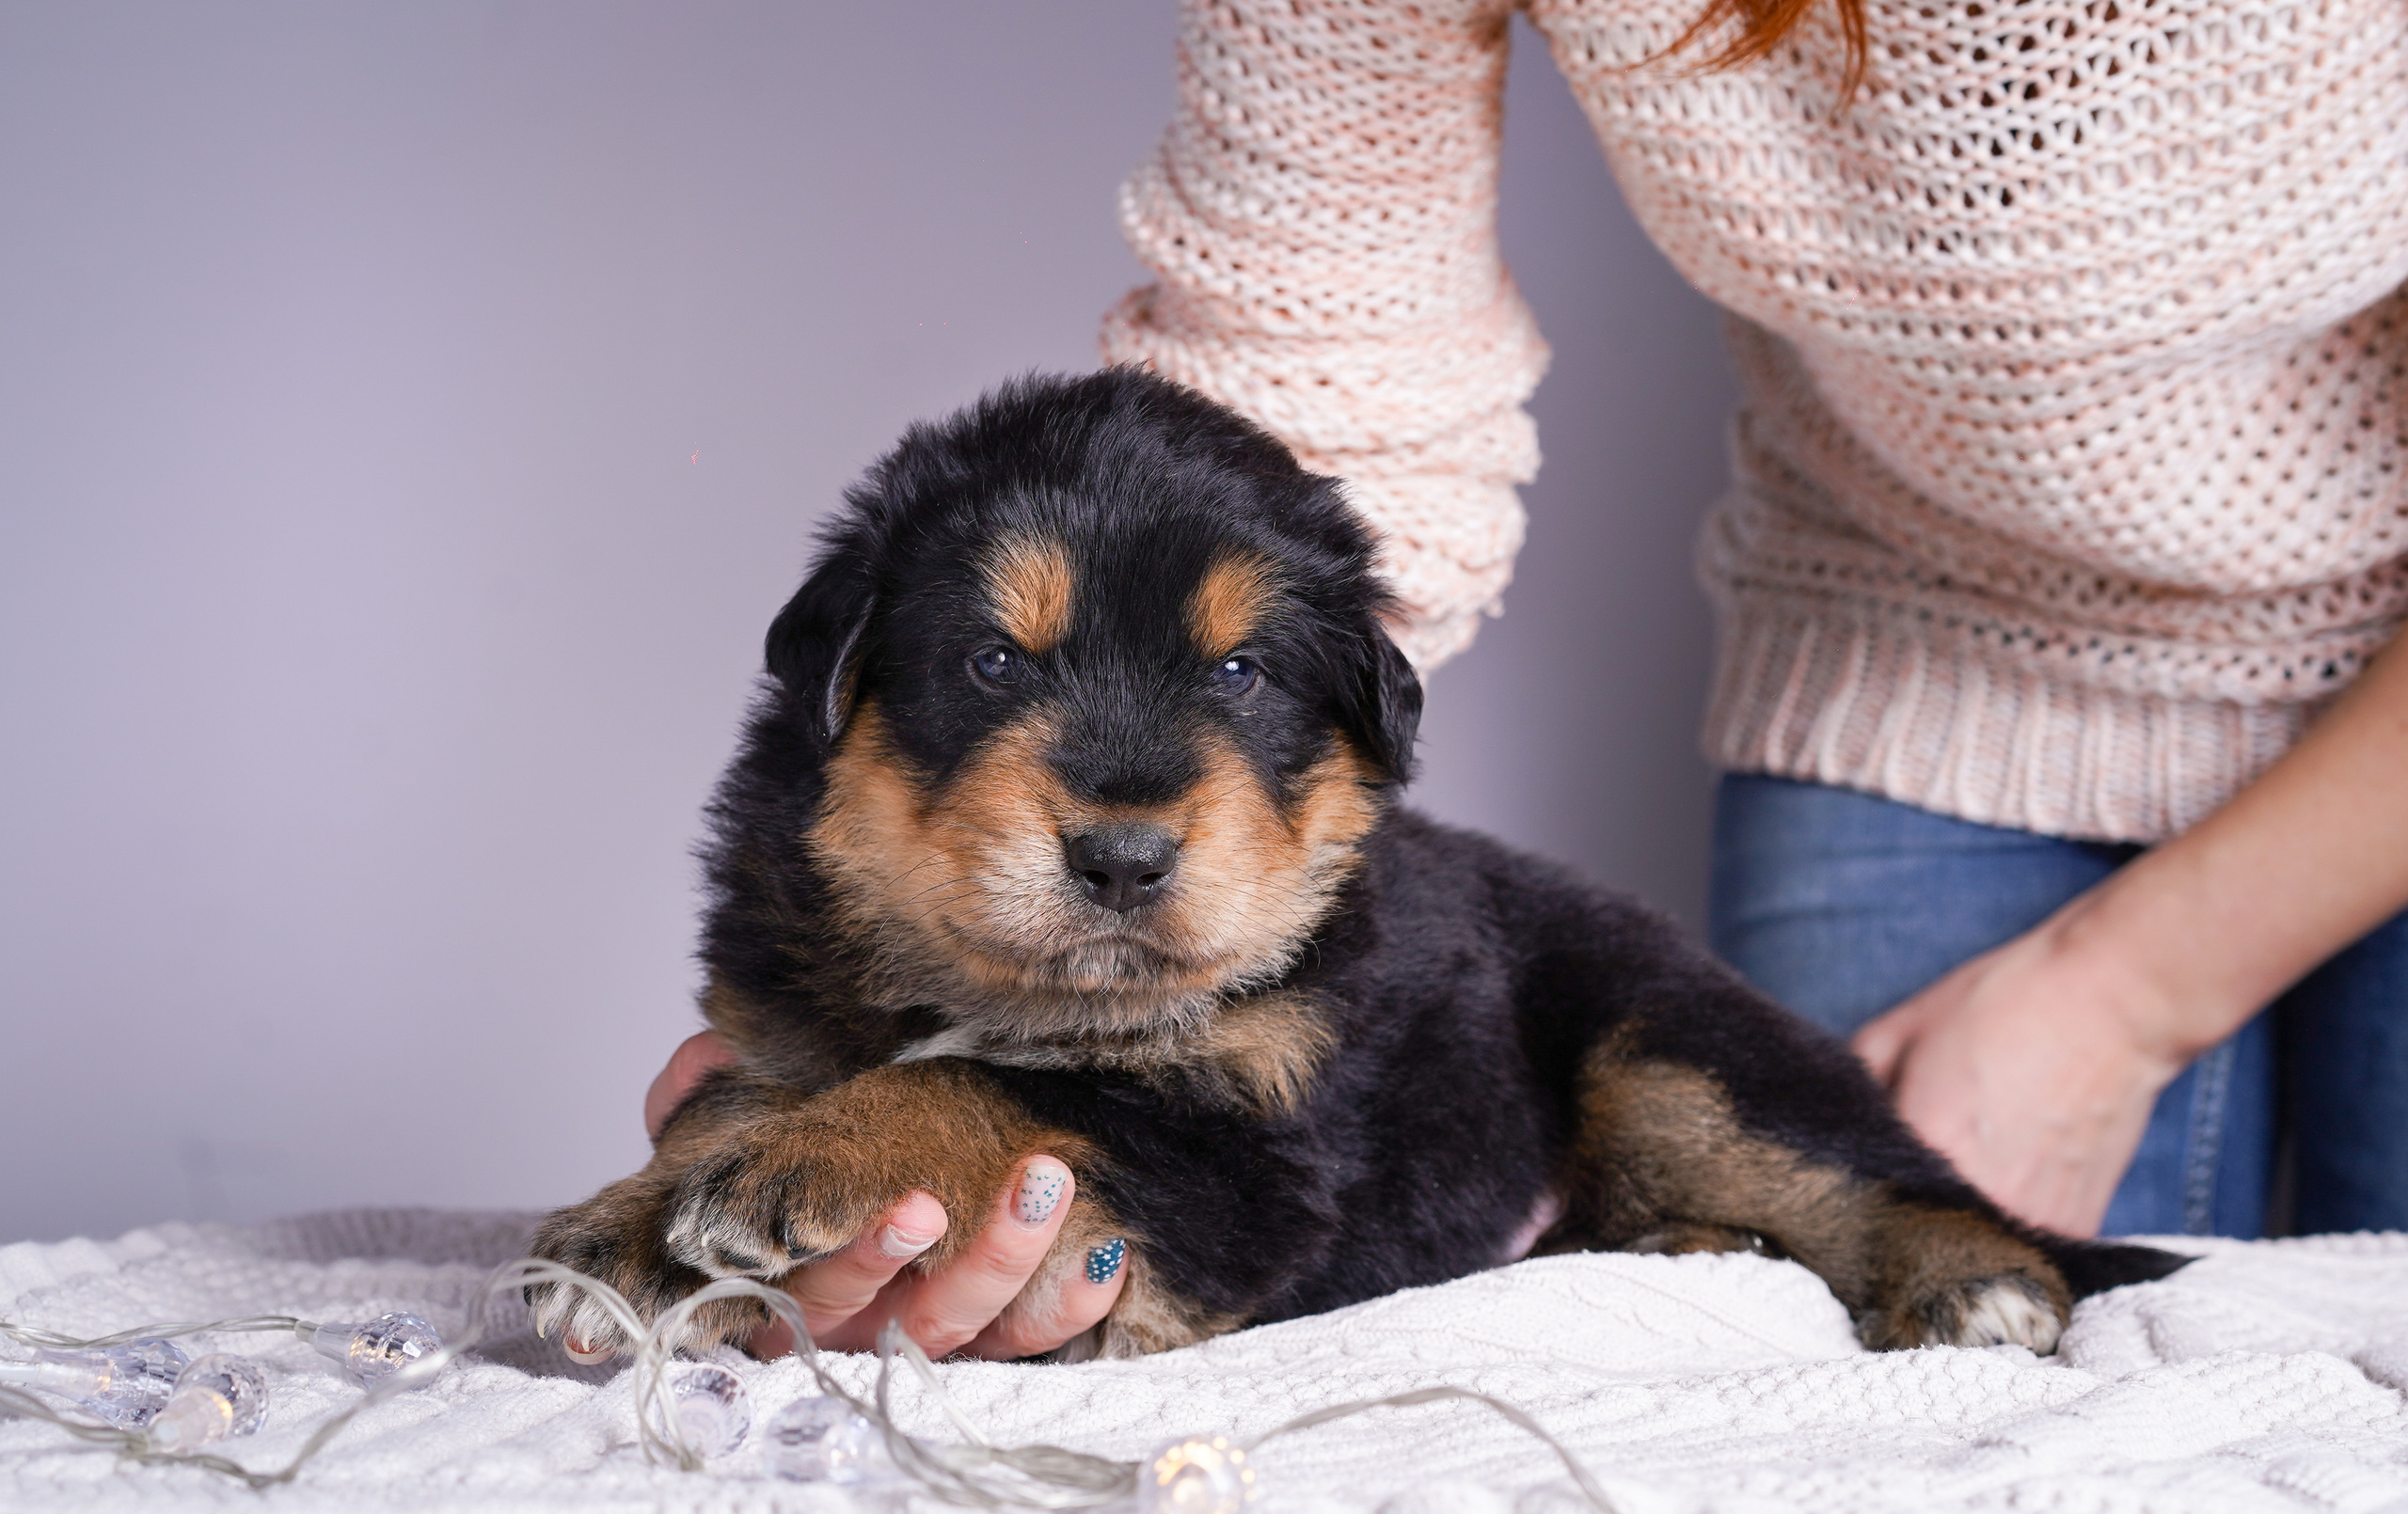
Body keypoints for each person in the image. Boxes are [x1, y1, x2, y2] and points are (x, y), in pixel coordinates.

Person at [642, 0, 2408, 1359]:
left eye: (1238, 672)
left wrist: (2123, 995)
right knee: (1794, 1334)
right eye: (988, 659)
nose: (1120, 803)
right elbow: (1317, 356)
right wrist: (751, 1144)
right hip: (1920, 655)